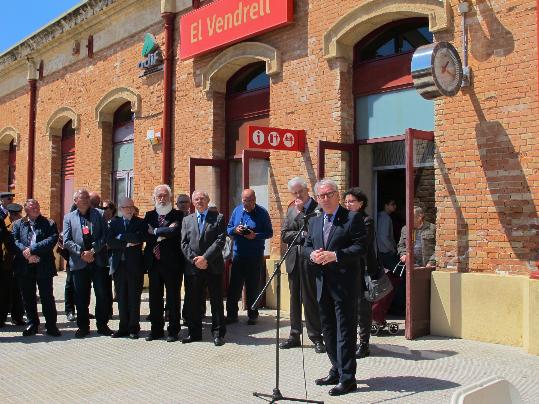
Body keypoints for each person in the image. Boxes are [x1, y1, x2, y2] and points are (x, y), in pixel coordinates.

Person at [304, 179, 366, 396]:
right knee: (328, 329)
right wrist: (312, 255)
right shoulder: (314, 221)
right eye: (321, 196)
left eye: (329, 194)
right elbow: (307, 246)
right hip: (322, 283)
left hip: (344, 285)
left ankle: (348, 378)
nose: (325, 199)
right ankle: (336, 368)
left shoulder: (352, 218)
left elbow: (360, 247)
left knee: (345, 331)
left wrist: (336, 256)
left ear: (337, 195)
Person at [280, 177, 325, 353]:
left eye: (301, 192)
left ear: (308, 190)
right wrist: (302, 236)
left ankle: (316, 336)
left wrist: (305, 232)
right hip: (293, 261)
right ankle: (294, 334)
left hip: (311, 261)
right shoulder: (292, 210)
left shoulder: (318, 209)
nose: (298, 195)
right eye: (295, 193)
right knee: (294, 300)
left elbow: (316, 232)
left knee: (310, 299)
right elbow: (284, 234)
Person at [63, 189, 111, 338]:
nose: (85, 201)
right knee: (81, 296)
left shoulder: (100, 214)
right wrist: (82, 253)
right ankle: (83, 327)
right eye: (81, 198)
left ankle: (102, 325)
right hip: (79, 262)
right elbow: (67, 240)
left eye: (86, 198)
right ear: (75, 201)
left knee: (102, 295)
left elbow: (105, 235)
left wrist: (93, 250)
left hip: (98, 261)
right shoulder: (69, 218)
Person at [181, 190, 227, 346]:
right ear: (192, 202)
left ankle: (218, 333)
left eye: (202, 199)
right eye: (196, 199)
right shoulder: (187, 220)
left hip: (213, 265)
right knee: (193, 301)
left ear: (208, 200)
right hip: (193, 268)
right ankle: (194, 333)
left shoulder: (218, 218)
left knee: (216, 301)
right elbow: (184, 243)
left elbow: (220, 241)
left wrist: (205, 258)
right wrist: (195, 260)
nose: (199, 201)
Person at [12, 199, 61, 337]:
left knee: (47, 297)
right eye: (32, 207)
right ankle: (33, 324)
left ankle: (51, 325)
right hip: (24, 265)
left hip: (43, 265)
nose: (35, 209)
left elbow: (51, 239)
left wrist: (32, 250)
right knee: (28, 297)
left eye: (37, 206)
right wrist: (26, 254)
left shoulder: (49, 223)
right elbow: (14, 241)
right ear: (26, 210)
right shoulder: (18, 224)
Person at [226, 189, 273, 325]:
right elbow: (228, 229)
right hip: (238, 254)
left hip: (255, 255)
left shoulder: (262, 213)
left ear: (255, 200)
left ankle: (253, 315)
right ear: (242, 199)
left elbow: (269, 232)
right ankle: (231, 315)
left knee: (252, 286)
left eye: (250, 201)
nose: (246, 204)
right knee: (234, 286)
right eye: (244, 200)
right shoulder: (237, 210)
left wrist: (255, 235)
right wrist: (235, 230)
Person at [144, 184, 184, 342]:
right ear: (155, 198)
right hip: (154, 263)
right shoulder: (149, 216)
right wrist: (164, 233)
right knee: (154, 298)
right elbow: (145, 236)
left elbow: (175, 232)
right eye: (159, 196)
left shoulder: (178, 215)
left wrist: (154, 232)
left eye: (165, 196)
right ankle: (156, 330)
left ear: (170, 198)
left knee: (173, 298)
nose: (162, 199)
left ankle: (173, 331)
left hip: (172, 264)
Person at [343, 188, 378, 359]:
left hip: (363, 270)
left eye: (352, 201)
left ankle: (364, 343)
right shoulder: (342, 219)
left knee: (363, 308)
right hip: (345, 268)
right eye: (346, 202)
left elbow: (361, 244)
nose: (348, 205)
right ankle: (349, 340)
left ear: (361, 203)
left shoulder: (367, 220)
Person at [107, 197, 145, 339]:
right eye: (125, 207)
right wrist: (127, 244)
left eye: (131, 207)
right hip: (119, 265)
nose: (129, 209)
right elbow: (110, 241)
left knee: (134, 297)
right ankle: (123, 327)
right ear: (121, 209)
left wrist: (121, 236)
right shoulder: (114, 223)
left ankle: (134, 328)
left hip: (135, 266)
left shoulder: (140, 222)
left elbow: (139, 238)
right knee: (121, 298)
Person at [0, 203, 25, 327]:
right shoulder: (4, 223)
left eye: (18, 214)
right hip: (6, 263)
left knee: (18, 291)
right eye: (15, 214)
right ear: (10, 214)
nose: (18, 216)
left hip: (19, 262)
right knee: (4, 292)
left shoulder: (22, 224)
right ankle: (2, 318)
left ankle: (18, 317)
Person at [377, 198, 398, 270]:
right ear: (386, 205)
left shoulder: (380, 216)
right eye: (392, 204)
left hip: (382, 251)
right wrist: (391, 249)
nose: (395, 206)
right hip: (386, 252)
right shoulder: (385, 218)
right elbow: (383, 237)